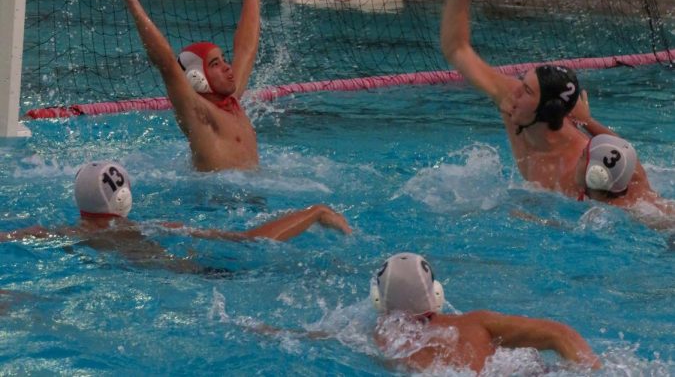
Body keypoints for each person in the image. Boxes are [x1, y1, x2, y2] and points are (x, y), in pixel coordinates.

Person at [0, 161, 351, 273]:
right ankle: (317, 213)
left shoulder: (62, 233)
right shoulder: (158, 227)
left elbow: (12, 237)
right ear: (124, 197)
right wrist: (313, 211)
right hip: (200, 274)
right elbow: (247, 239)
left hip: (179, 284)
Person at [97, 0, 270, 171]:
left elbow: (246, 49)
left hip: (246, 197)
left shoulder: (232, 102)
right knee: (322, 209)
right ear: (197, 78)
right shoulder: (200, 113)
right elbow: (167, 64)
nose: (227, 67)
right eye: (215, 64)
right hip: (215, 201)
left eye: (223, 59)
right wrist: (133, 3)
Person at [439, 0, 588, 196]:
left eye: (527, 90)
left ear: (547, 111)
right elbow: (457, 50)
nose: (515, 91)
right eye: (523, 82)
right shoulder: (513, 100)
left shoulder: (581, 168)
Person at [370, 252, 600, 373]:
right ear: (436, 293)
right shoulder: (478, 323)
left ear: (379, 301)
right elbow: (561, 334)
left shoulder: (385, 341)